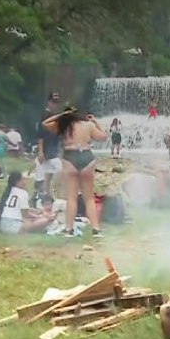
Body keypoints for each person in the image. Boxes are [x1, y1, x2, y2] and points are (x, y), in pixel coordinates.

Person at [43, 108, 108, 237]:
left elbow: (45, 124)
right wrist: (95, 121)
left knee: (71, 198)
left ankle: (69, 229)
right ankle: (96, 229)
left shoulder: (64, 126)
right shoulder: (88, 126)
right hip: (86, 156)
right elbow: (103, 137)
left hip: (70, 156)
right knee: (89, 198)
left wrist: (61, 115)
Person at [37, 92, 64, 196]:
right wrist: (40, 151)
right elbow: (40, 134)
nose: (55, 105)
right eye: (53, 102)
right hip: (46, 148)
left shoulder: (54, 116)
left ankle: (46, 193)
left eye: (57, 103)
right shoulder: (45, 115)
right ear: (48, 102)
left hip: (53, 147)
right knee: (60, 171)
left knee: (49, 172)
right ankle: (55, 192)